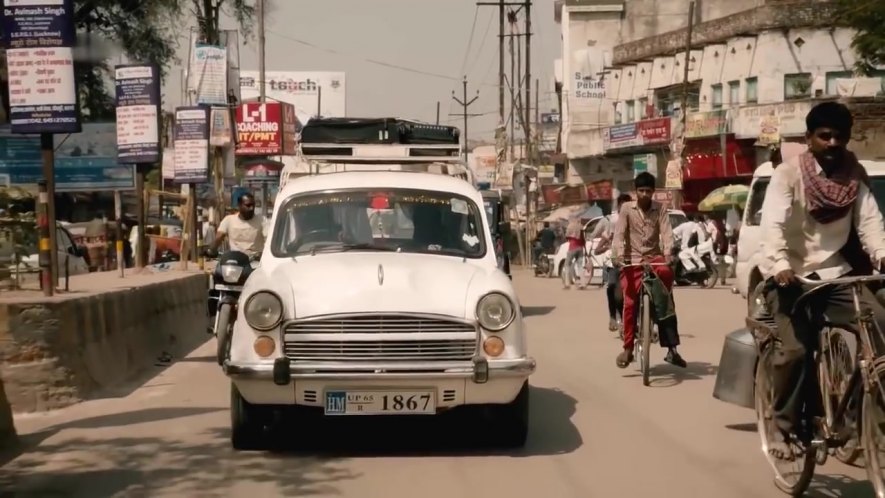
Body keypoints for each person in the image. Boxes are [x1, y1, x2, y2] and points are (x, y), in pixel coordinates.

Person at [759, 101, 885, 460]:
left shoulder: (853, 174)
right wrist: (780, 264)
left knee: (879, 327)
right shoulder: (788, 174)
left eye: (839, 137)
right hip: (790, 276)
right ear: (809, 138)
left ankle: (859, 416)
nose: (832, 143)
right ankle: (782, 427)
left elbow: (870, 224)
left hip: (835, 274)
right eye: (824, 136)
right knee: (796, 351)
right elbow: (773, 225)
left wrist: (882, 254)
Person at [611, 172, 687, 369]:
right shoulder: (627, 209)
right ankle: (627, 349)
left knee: (666, 299)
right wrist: (618, 255)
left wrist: (669, 253)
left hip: (654, 259)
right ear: (636, 192)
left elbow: (667, 233)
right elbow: (619, 235)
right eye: (641, 190)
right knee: (629, 304)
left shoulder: (660, 209)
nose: (644, 194)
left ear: (653, 192)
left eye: (648, 191)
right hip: (632, 260)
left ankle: (672, 350)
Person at [590, 193, 632, 331]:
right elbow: (599, 246)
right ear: (619, 206)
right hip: (614, 262)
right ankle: (613, 316)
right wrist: (607, 245)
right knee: (612, 287)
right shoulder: (612, 220)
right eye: (622, 205)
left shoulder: (636, 218)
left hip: (632, 260)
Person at [207, 193, 266, 259]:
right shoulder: (229, 220)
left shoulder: (262, 220)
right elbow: (218, 238)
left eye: (253, 205)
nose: (251, 208)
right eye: (248, 205)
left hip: (256, 260)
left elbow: (269, 238)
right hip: (235, 259)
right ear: (239, 205)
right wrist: (211, 251)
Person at [562, 216, 585, 290]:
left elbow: (566, 237)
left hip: (572, 247)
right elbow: (583, 239)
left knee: (567, 264)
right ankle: (583, 283)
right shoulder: (581, 226)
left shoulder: (570, 226)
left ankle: (567, 284)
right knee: (580, 266)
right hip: (580, 248)